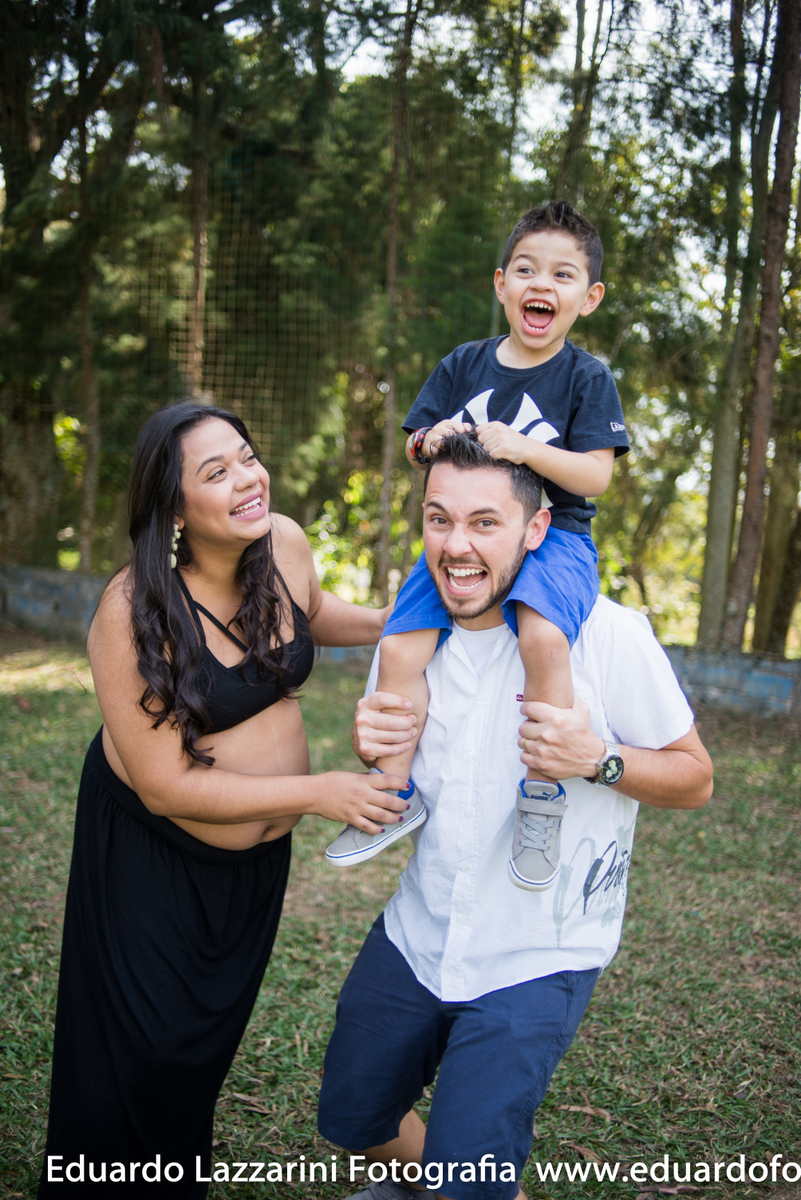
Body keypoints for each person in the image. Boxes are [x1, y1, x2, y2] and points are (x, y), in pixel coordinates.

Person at [317, 431, 713, 1200]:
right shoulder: (410, 641)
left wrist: (597, 758)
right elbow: (403, 777)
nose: (455, 546)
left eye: (484, 523)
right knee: (353, 1114)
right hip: (419, 930)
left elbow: (694, 779)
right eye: (438, 520)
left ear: (535, 530)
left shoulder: (606, 635)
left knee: (468, 1176)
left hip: (537, 954)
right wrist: (372, 748)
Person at [38, 402, 410, 1198]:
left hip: (252, 870)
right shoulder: (132, 611)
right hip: (152, 861)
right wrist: (321, 792)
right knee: (141, 1053)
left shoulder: (285, 544)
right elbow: (164, 784)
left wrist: (392, 622)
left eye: (246, 456)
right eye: (216, 472)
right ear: (173, 507)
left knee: (196, 1051)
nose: (247, 479)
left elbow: (313, 614)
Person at [325, 201, 630, 890]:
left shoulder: (587, 378)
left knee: (543, 639)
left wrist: (524, 448)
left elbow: (595, 476)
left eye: (562, 274)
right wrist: (427, 440)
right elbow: (417, 442)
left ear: (588, 298)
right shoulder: (463, 363)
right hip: (463, 536)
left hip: (555, 536)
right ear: (501, 284)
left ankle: (541, 795)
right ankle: (393, 792)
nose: (540, 284)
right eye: (525, 269)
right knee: (399, 648)